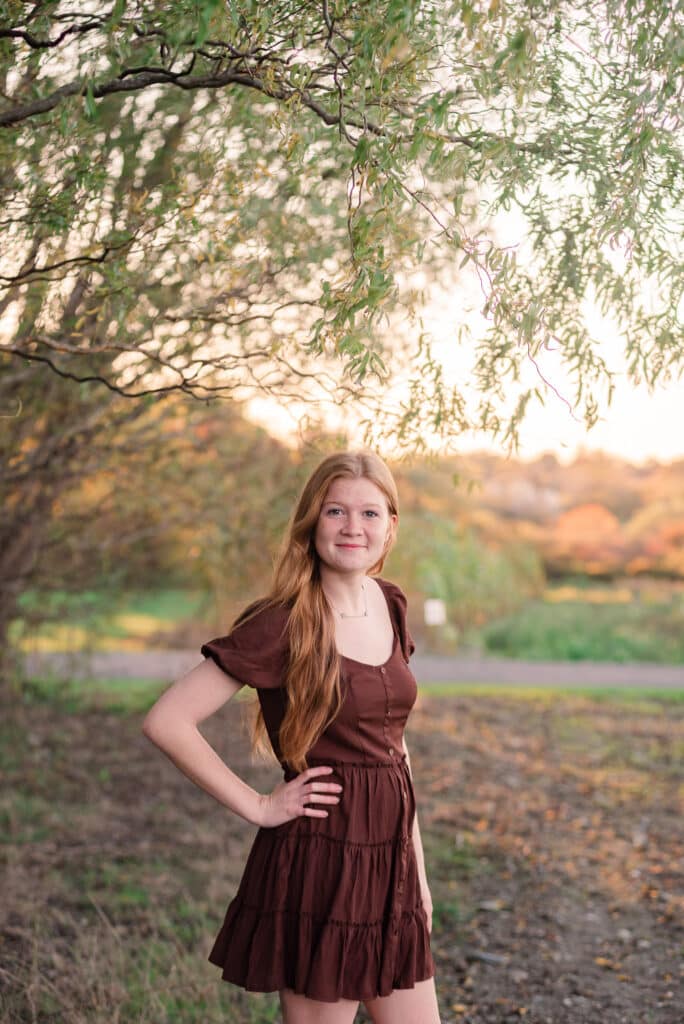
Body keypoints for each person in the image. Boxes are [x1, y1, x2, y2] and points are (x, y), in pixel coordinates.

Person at [141, 451, 440, 1023]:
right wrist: (258, 804)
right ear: (311, 521)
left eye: (370, 513)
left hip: (390, 866)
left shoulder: (391, 603)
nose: (354, 527)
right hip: (320, 865)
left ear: (391, 526)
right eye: (336, 511)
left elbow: (393, 749)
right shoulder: (282, 622)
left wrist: (417, 877)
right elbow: (168, 720)